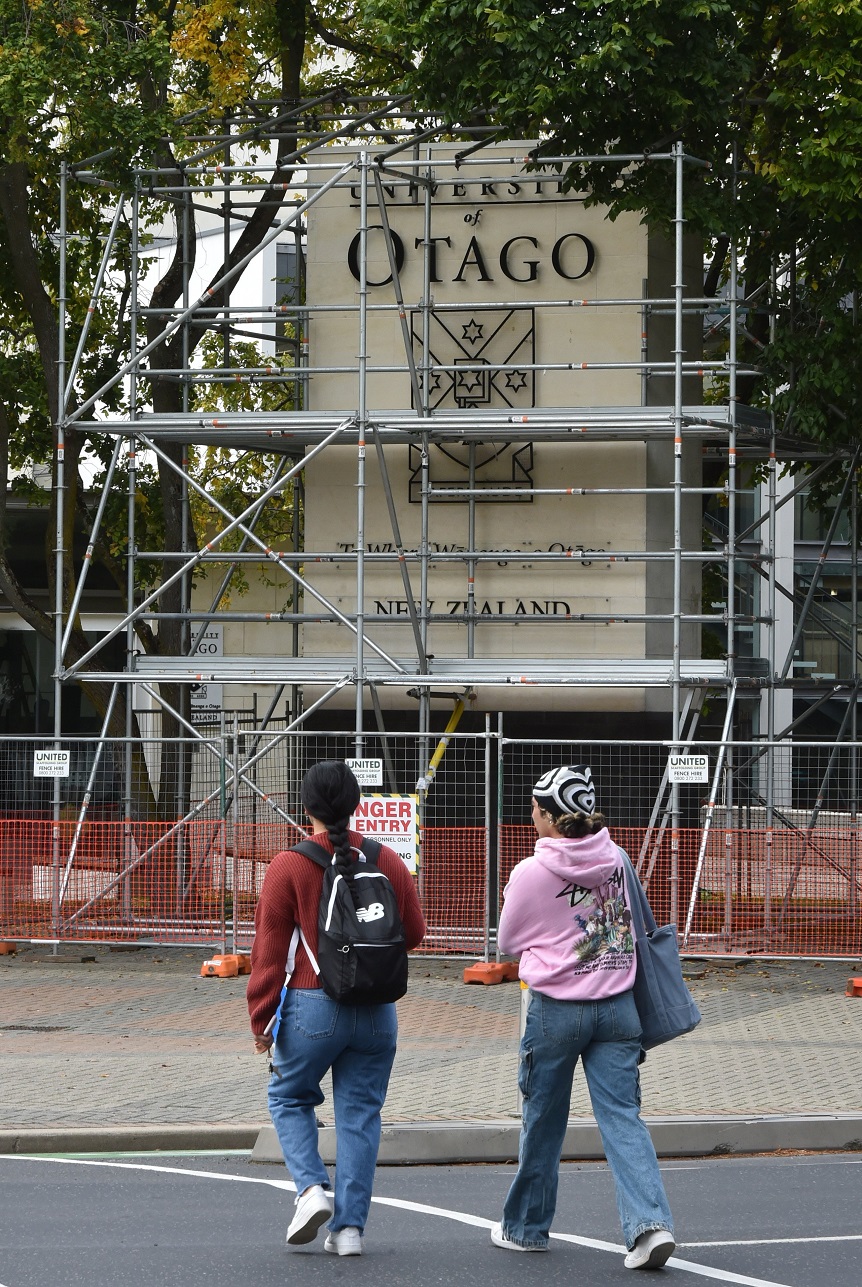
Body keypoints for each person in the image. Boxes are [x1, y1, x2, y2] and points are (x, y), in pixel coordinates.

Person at [491, 764, 675, 1271]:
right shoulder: (615, 858)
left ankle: (527, 1229)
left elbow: (507, 940)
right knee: (623, 1119)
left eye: (534, 807)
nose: (531, 814)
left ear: (550, 816)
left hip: (556, 1011)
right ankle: (650, 1226)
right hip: (618, 1007)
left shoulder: (532, 871)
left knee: (544, 1120)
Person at [247, 760, 426, 1257]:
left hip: (311, 1008)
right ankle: (349, 1231)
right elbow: (413, 933)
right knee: (361, 1115)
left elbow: (268, 954)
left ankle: (309, 1191)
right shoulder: (386, 859)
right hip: (376, 1012)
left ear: (306, 807)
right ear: (356, 805)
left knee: (287, 1098)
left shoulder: (288, 865)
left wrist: (262, 1020)